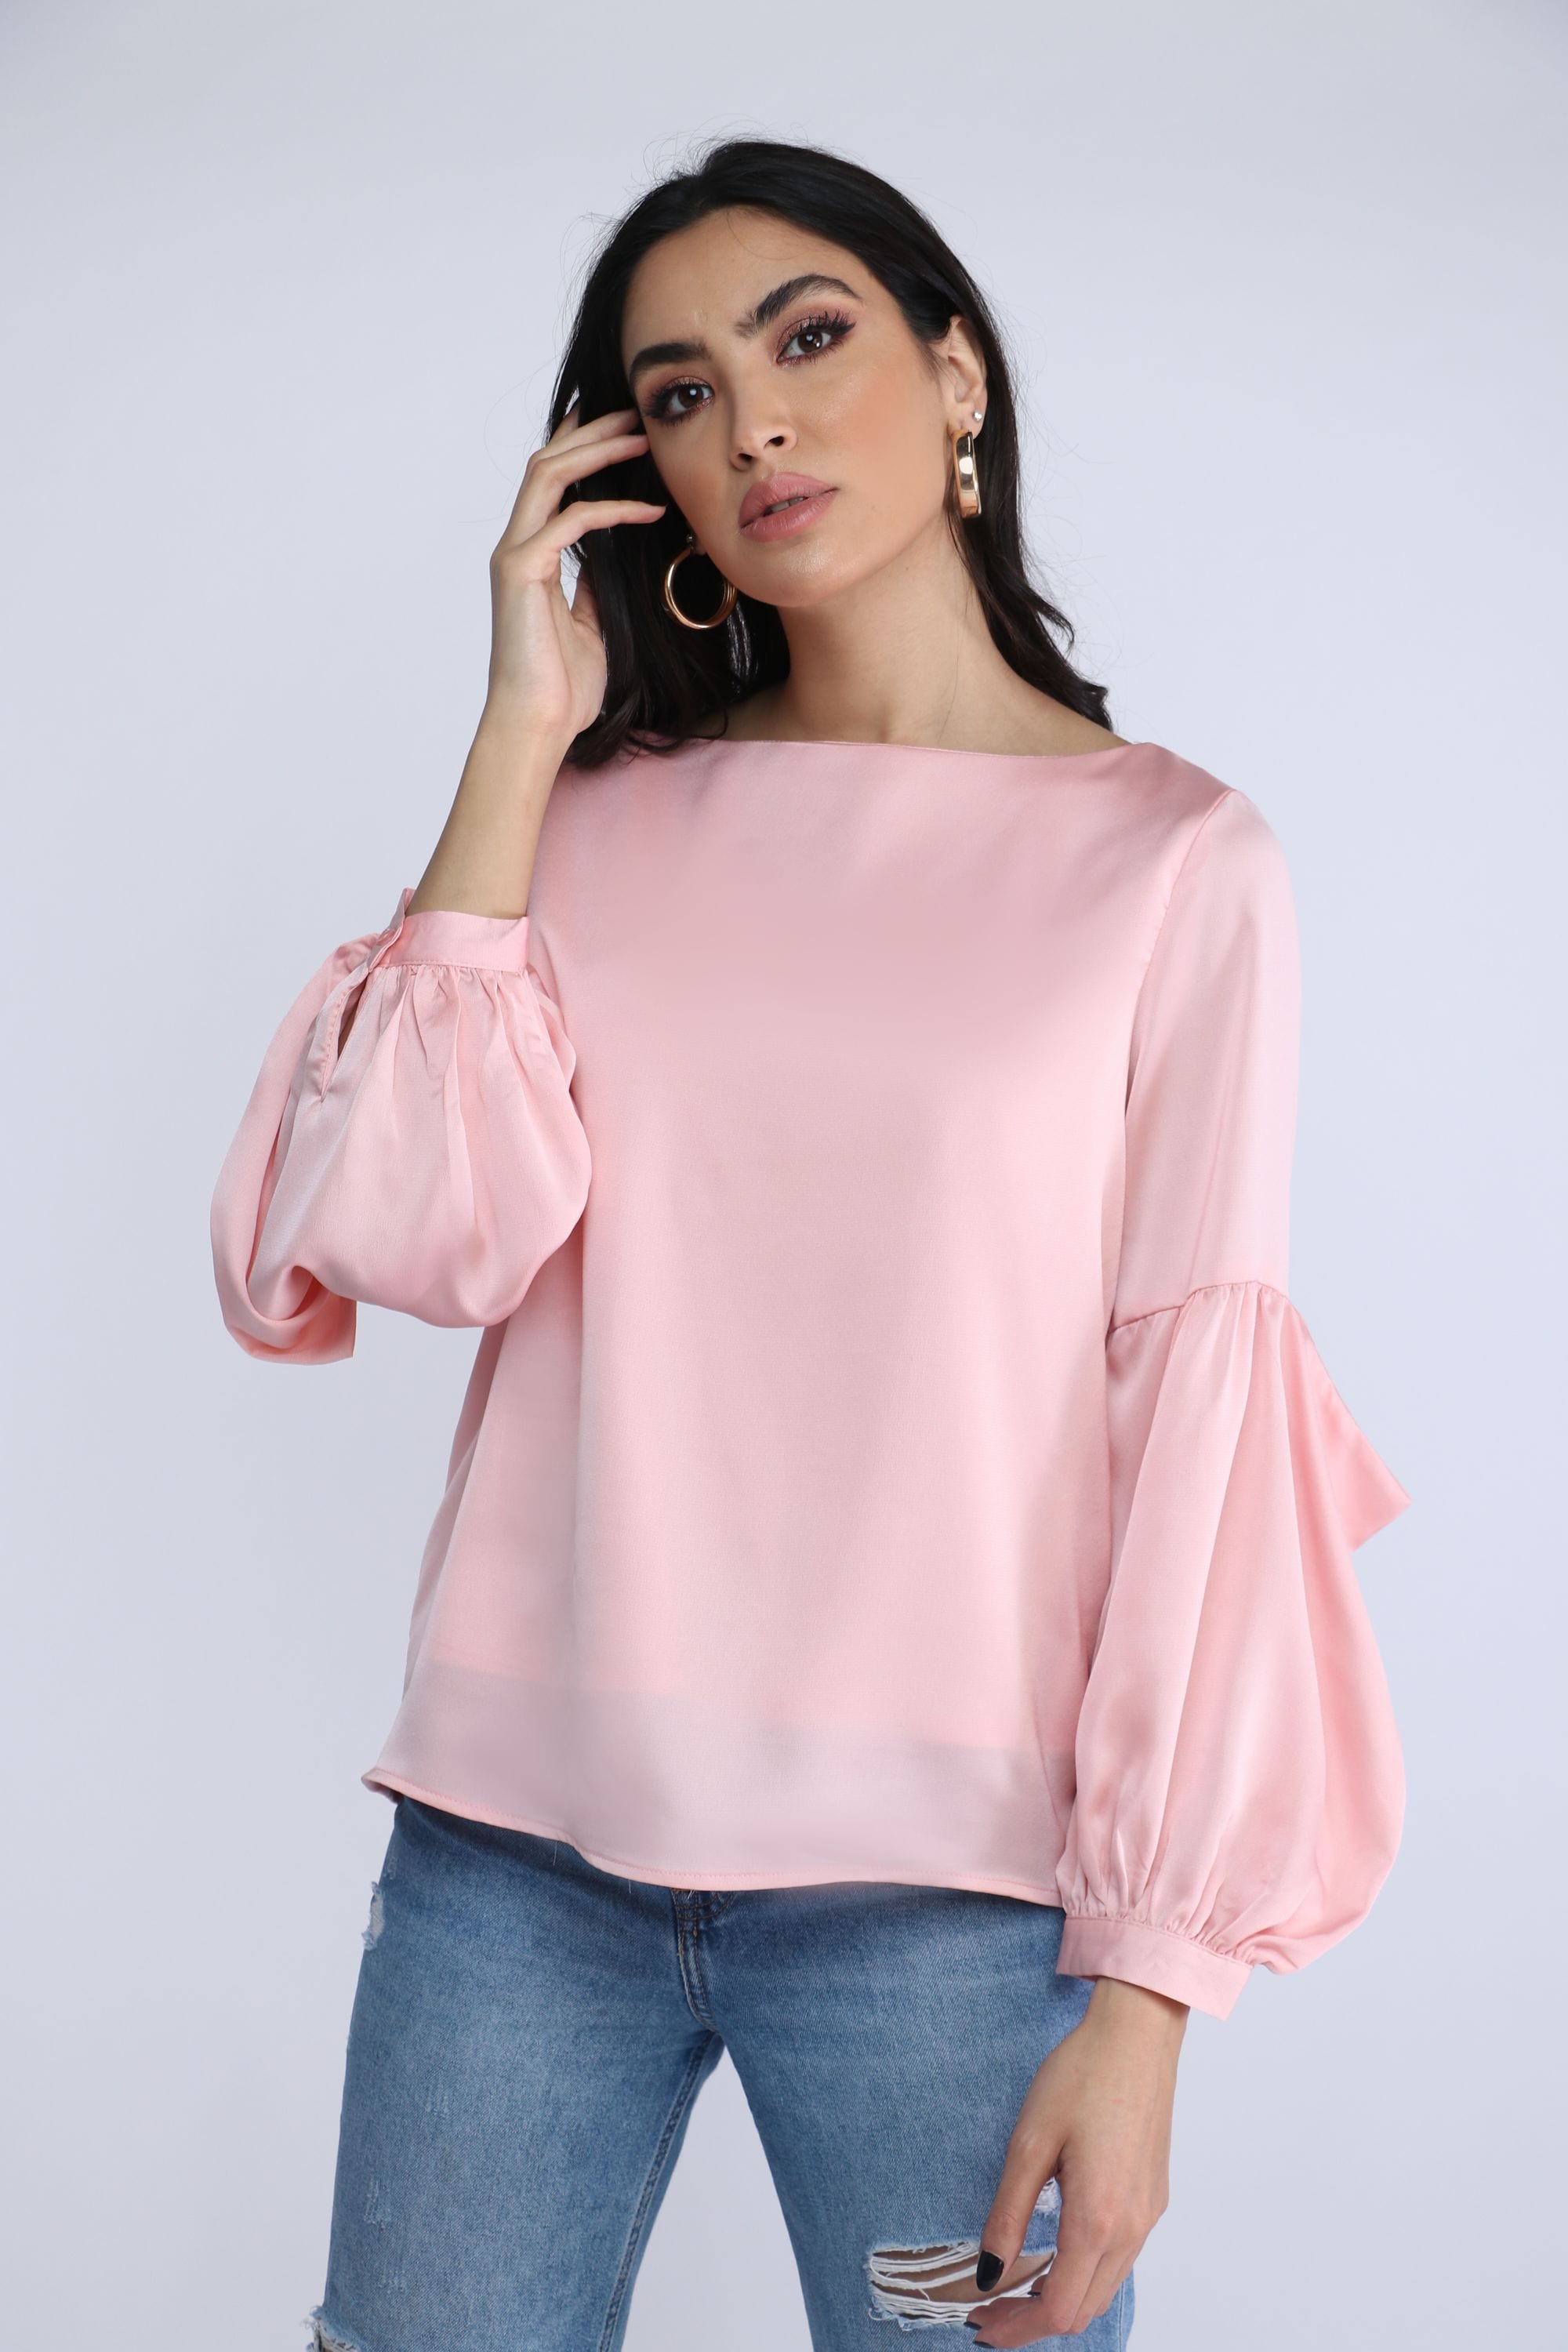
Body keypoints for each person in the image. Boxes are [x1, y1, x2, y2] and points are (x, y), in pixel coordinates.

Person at [209, 136, 1410, 2352]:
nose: (753, 422)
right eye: (680, 392)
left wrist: (1152, 1994)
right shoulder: (583, 821)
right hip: (515, 1870)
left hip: (948, 1913)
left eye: (809, 339)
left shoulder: (1173, 866)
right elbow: (403, 1233)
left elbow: (1199, 1424)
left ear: (958, 376)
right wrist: (518, 727)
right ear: (637, 469)